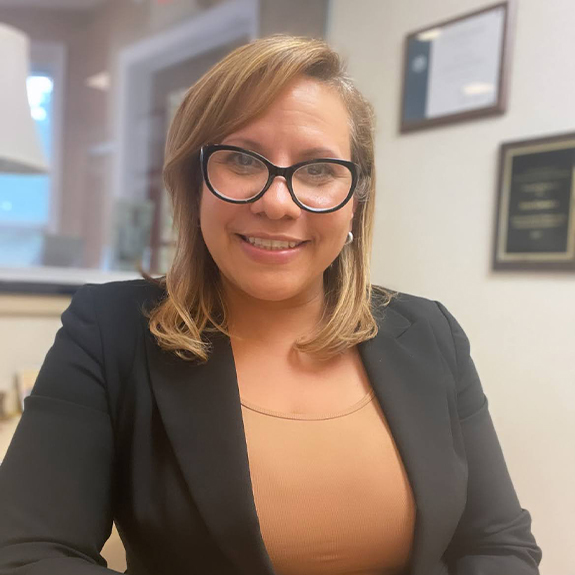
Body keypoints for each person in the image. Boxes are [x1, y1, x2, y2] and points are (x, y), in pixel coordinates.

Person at [0, 35, 541, 575]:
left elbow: (498, 544)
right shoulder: (108, 331)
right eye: (240, 159)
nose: (277, 202)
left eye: (319, 170)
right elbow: (28, 550)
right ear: (194, 182)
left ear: (357, 197)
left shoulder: (431, 333)